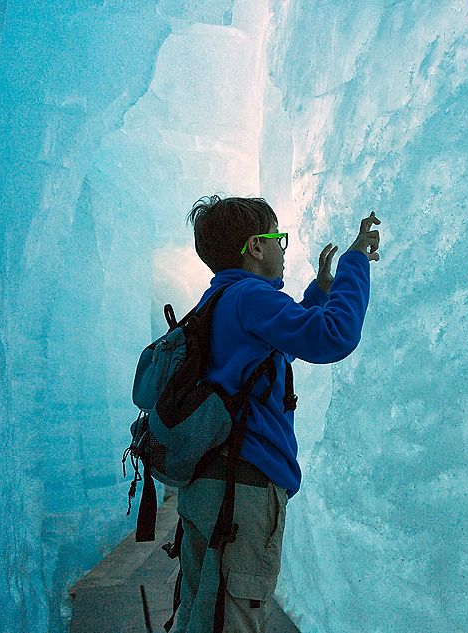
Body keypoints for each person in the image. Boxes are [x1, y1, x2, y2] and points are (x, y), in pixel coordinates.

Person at [173, 195, 381, 632]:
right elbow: (333, 336)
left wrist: (321, 289)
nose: (283, 250)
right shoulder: (251, 295)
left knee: (200, 614)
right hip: (243, 490)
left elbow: (279, 346)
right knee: (232, 620)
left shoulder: (219, 302)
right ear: (255, 246)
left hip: (209, 484)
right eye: (278, 238)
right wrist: (355, 262)